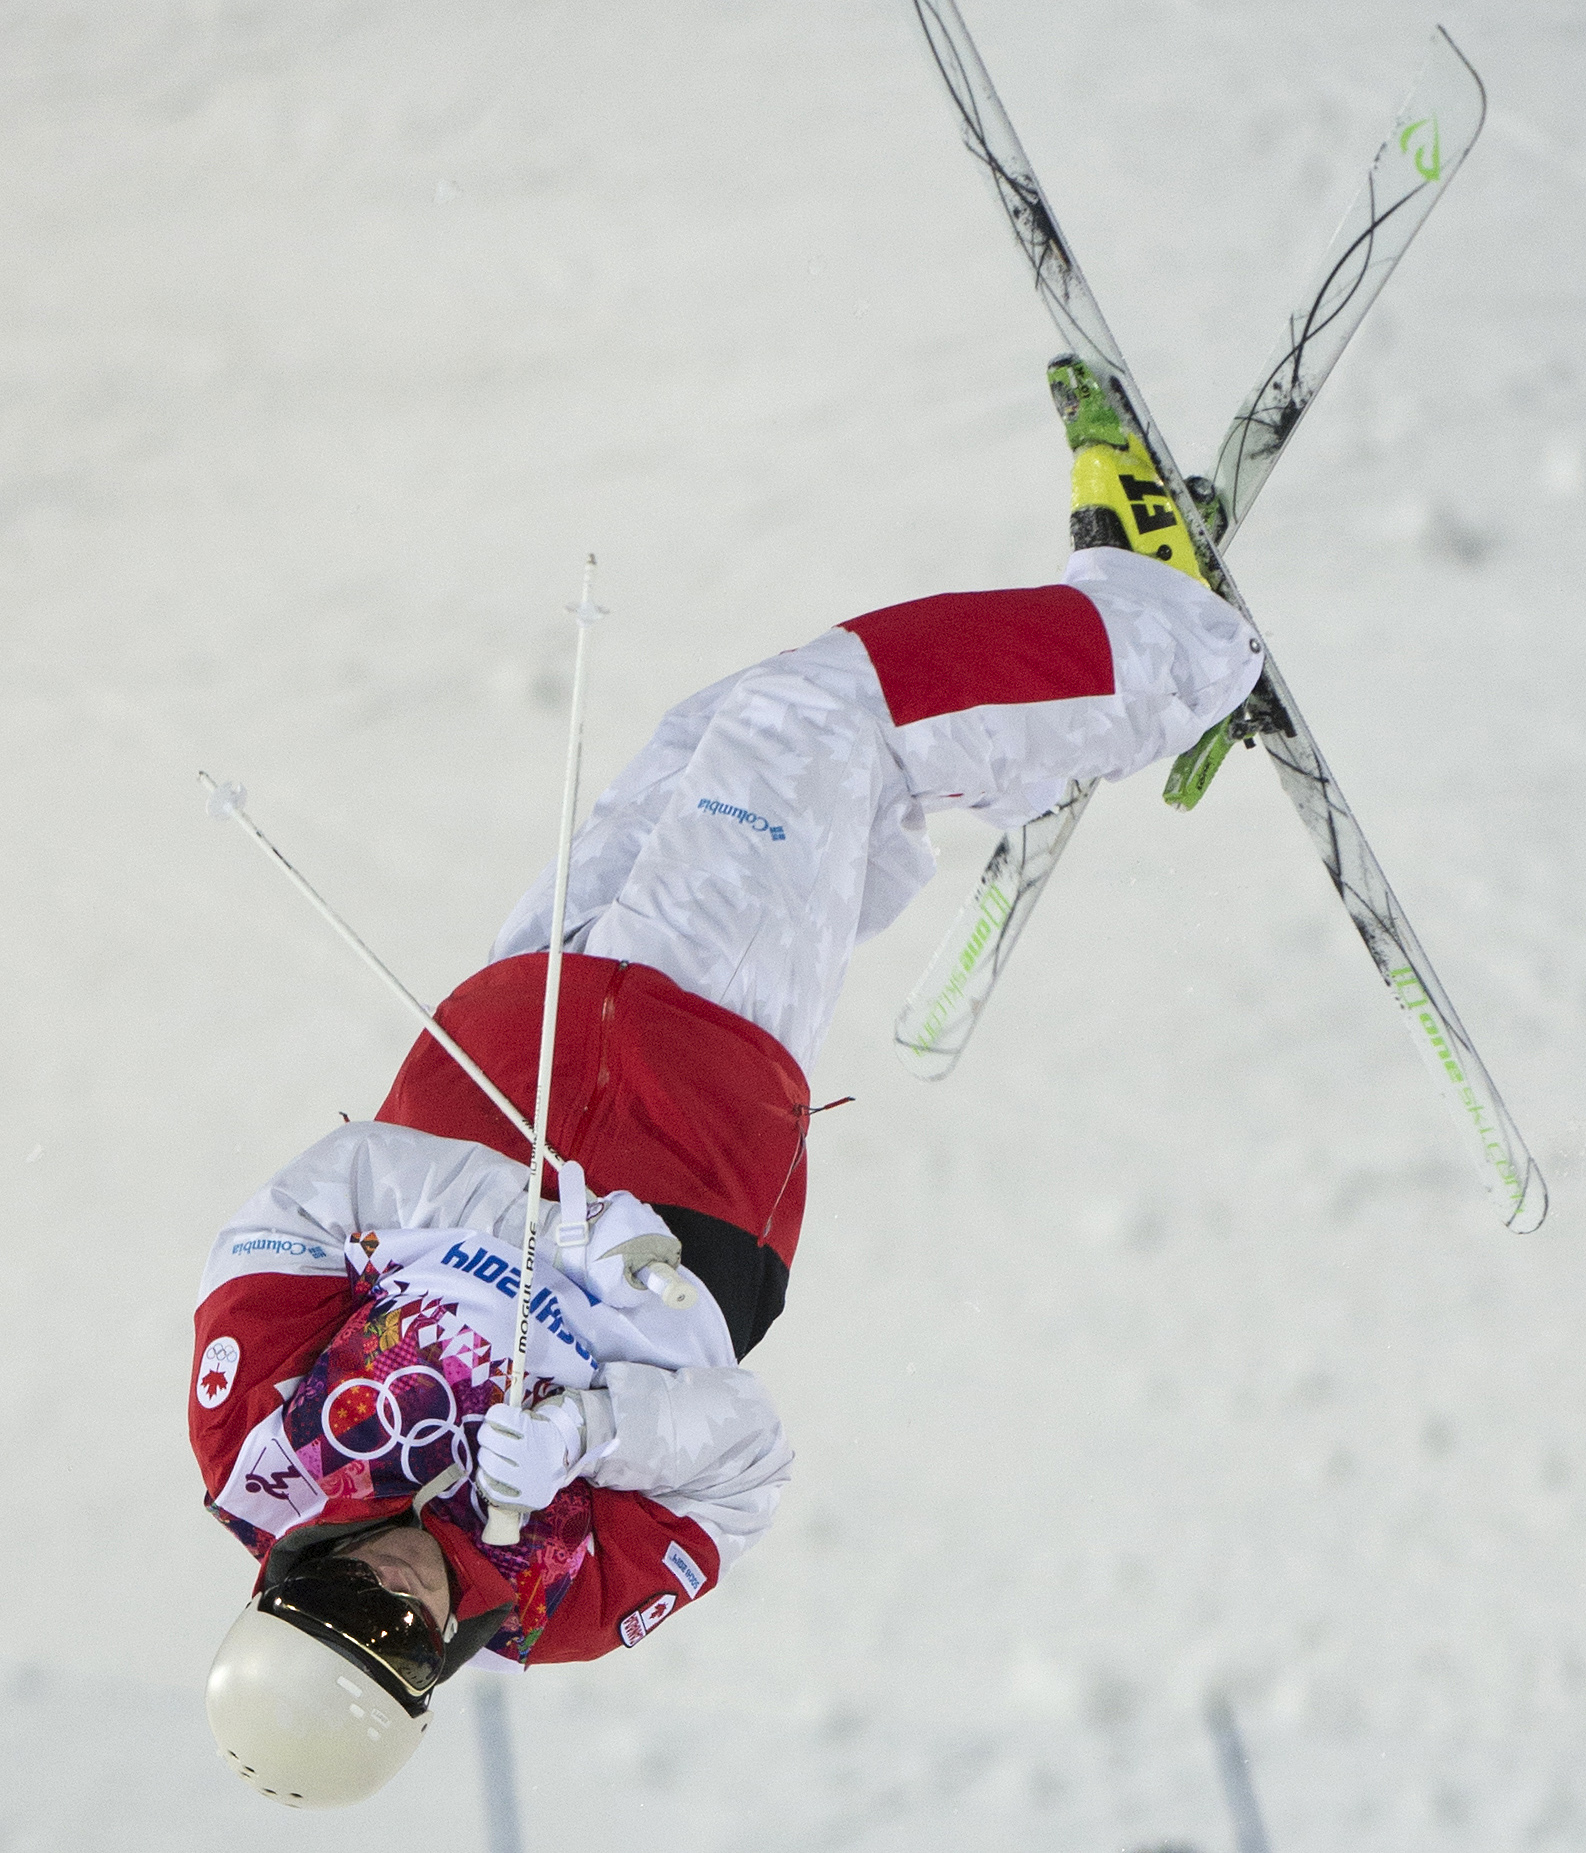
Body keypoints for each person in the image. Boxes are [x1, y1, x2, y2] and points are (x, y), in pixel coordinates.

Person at [190, 360, 1264, 1808]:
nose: (396, 1588)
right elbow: (745, 1466)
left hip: (513, 1037)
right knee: (806, 722)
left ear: (283, 1583)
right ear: (432, 1680)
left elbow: (310, 1204)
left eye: (344, 1599)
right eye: (402, 1640)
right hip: (691, 1127)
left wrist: (513, 1217)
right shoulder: (559, 1597)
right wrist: (596, 1429)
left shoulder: (257, 1442)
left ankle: (1063, 714)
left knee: (726, 734)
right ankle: (1180, 636)